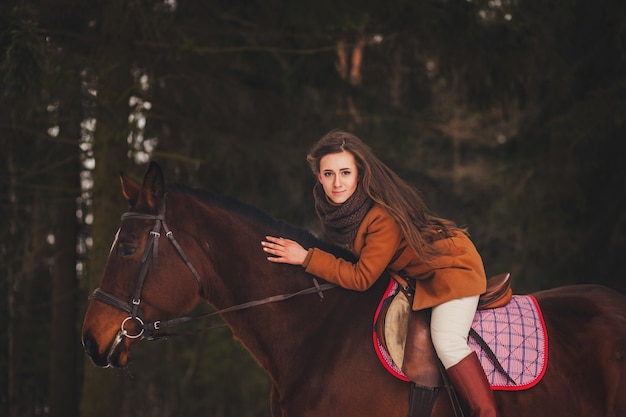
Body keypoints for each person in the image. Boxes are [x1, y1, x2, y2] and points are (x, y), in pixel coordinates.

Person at [261, 130, 498, 417]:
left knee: (447, 339)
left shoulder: (380, 216)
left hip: (452, 270)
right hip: (421, 274)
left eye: (345, 172)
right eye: (329, 174)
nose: (337, 183)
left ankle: (487, 413)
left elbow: (362, 278)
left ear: (359, 173)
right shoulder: (345, 210)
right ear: (319, 177)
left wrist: (306, 258)